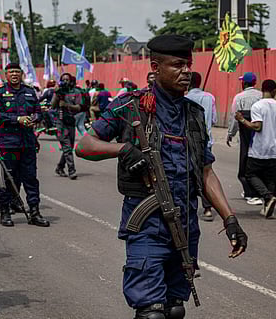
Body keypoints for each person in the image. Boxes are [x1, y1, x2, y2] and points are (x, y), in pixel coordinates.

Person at [76, 34, 247, 319]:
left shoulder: (193, 113)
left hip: (185, 223)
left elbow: (206, 170)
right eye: (178, 65)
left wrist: (230, 218)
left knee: (175, 309)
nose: (186, 71)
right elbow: (84, 145)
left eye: (188, 65)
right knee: (151, 313)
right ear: (155, 67)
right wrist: (123, 150)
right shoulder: (130, 106)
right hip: (148, 226)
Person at [0, 62, 50, 227]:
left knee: (30, 179)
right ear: (6, 74)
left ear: (21, 74)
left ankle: (35, 212)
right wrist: (17, 119)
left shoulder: (30, 91)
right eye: (11, 72)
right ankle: (5, 211)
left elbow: (38, 111)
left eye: (17, 72)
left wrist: (34, 119)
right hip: (7, 144)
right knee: (8, 179)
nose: (14, 74)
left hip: (27, 144)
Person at [235, 79, 276, 218]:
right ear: (274, 91)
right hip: (273, 149)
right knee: (269, 178)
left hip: (259, 148)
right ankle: (267, 207)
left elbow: (257, 127)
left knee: (250, 174)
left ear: (262, 90)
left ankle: (268, 197)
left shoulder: (257, 106)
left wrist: (241, 120)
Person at [226, 72, 263, 206]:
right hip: (261, 134)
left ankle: (250, 193)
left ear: (245, 83)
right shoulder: (261, 96)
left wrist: (230, 133)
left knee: (245, 163)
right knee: (258, 162)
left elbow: (234, 117)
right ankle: (259, 191)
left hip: (246, 133)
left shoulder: (239, 97)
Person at [186, 71, 217, 221]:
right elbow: (214, 120)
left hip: (188, 142)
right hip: (206, 141)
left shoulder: (184, 99)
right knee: (205, 173)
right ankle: (207, 208)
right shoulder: (209, 97)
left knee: (188, 173)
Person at [51, 72, 84, 180]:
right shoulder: (59, 92)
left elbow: (79, 107)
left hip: (71, 121)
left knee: (69, 147)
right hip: (60, 122)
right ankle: (72, 170)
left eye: (67, 79)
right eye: (63, 79)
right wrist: (56, 94)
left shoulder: (76, 92)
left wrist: (67, 105)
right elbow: (52, 105)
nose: (65, 81)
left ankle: (60, 167)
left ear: (71, 81)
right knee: (66, 147)